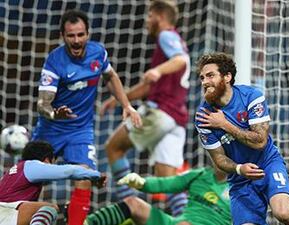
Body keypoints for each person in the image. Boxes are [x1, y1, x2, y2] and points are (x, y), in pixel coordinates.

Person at [31, 10, 142, 225]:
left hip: (80, 131)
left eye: (80, 35)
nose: (76, 40)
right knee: (34, 180)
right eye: (71, 36)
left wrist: (126, 104)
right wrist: (55, 112)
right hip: (50, 131)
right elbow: (42, 103)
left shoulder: (98, 53)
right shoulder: (54, 62)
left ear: (88, 34)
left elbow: (110, 76)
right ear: (62, 35)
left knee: (84, 177)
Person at [195, 52, 289, 225]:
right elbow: (218, 158)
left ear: (227, 77)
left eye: (210, 75)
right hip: (240, 179)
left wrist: (224, 124)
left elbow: (260, 141)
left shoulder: (251, 97)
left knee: (283, 213)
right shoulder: (203, 116)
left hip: (268, 163)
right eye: (202, 77)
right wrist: (240, 168)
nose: (205, 82)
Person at [100, 0, 190, 215]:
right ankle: (189, 219)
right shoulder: (176, 39)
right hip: (177, 118)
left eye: (150, 16)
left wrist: (158, 70)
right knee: (167, 180)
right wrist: (121, 99)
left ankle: (131, 209)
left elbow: (181, 60)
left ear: (159, 16)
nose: (147, 21)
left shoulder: (166, 36)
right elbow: (149, 87)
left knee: (114, 148)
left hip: (159, 113)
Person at [84, 161, 231, 225]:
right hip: (177, 223)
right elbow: (167, 183)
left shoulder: (242, 190)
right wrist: (142, 183)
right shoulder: (201, 174)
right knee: (133, 204)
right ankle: (85, 223)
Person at [0, 141, 106, 225]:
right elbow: (69, 171)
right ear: (46, 160)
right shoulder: (32, 165)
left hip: (7, 213)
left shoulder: (14, 171)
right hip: (4, 213)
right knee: (49, 208)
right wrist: (96, 175)